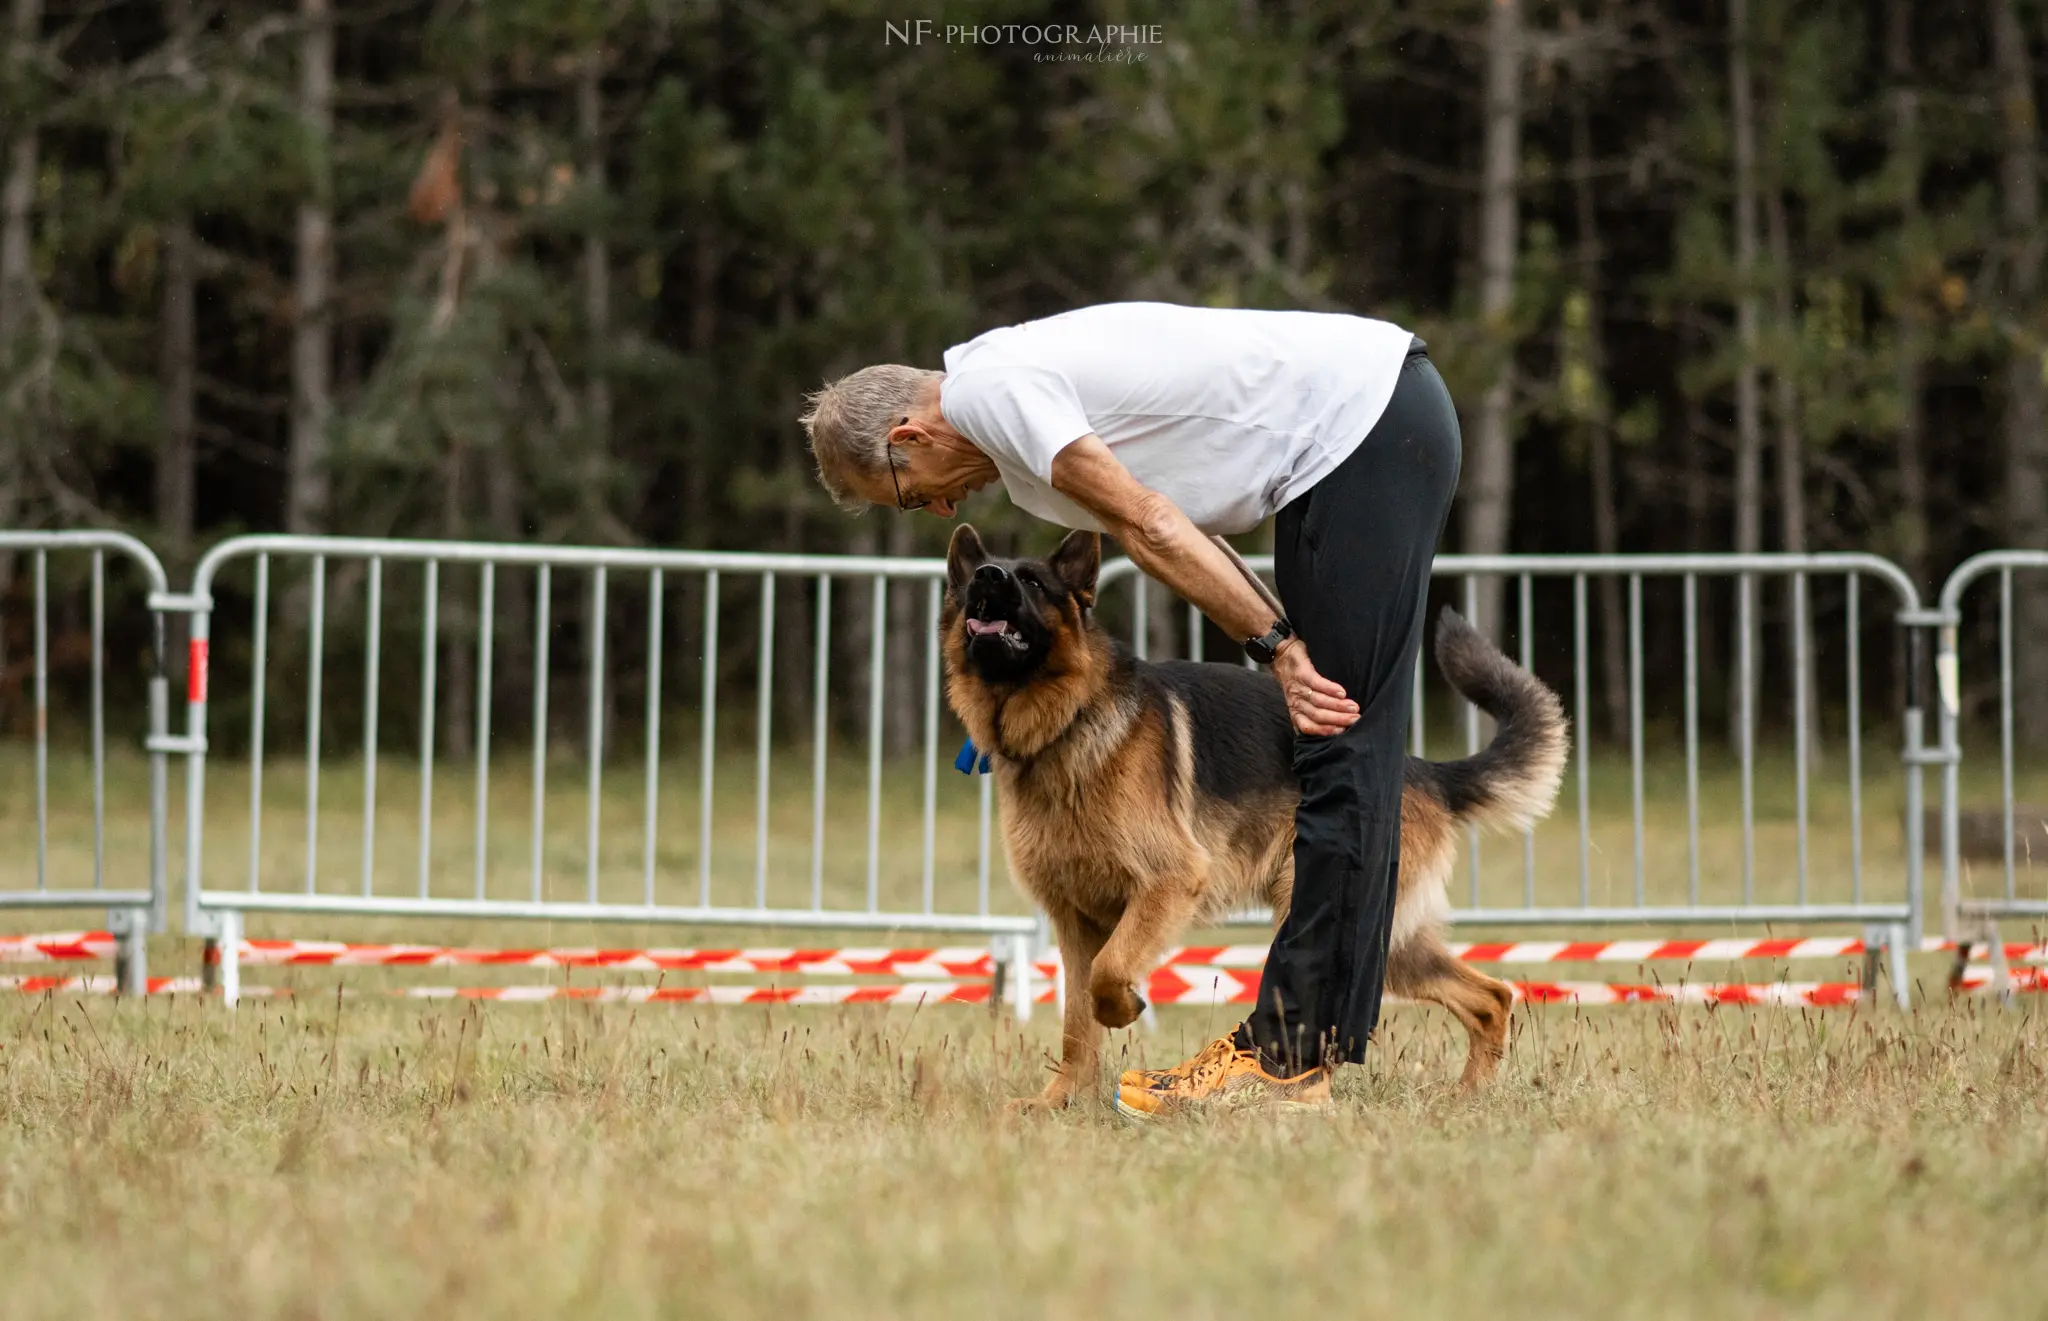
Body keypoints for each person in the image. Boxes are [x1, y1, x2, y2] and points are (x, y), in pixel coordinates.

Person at [799, 302, 1461, 1115]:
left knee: (1336, 729)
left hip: (1369, 419)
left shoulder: (997, 393)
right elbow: (1176, 524)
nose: (938, 510)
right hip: (1347, 440)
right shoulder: (1017, 442)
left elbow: (1146, 524)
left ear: (908, 438)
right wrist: (1276, 637)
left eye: (909, 496)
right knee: (1332, 728)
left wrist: (1278, 650)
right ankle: (1296, 1048)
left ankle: (1291, 1056)